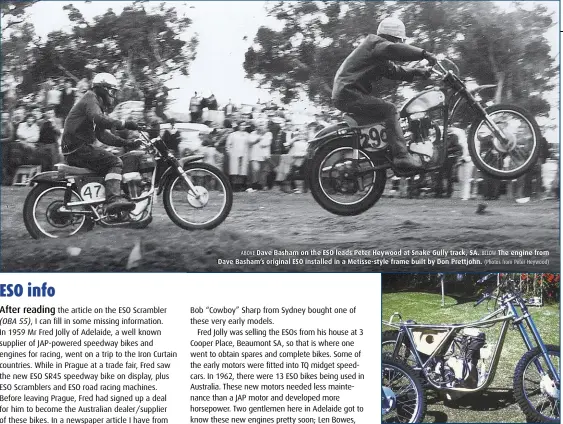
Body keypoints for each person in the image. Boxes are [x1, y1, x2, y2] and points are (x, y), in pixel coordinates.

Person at [332, 17, 437, 171]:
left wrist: (417, 72)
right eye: (398, 40)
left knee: (386, 114)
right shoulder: (376, 44)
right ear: (391, 37)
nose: (399, 44)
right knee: (390, 109)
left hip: (347, 93)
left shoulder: (377, 52)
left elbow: (394, 71)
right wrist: (423, 53)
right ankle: (401, 155)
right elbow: (394, 50)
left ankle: (389, 155)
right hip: (348, 93)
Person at [62, 72, 140, 214]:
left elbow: (102, 135)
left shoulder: (94, 102)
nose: (113, 96)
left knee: (108, 165)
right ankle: (114, 199)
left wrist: (126, 143)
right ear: (103, 89)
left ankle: (106, 206)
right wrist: (124, 123)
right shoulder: (91, 98)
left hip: (76, 148)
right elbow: (99, 119)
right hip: (78, 148)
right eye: (111, 91)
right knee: (115, 162)